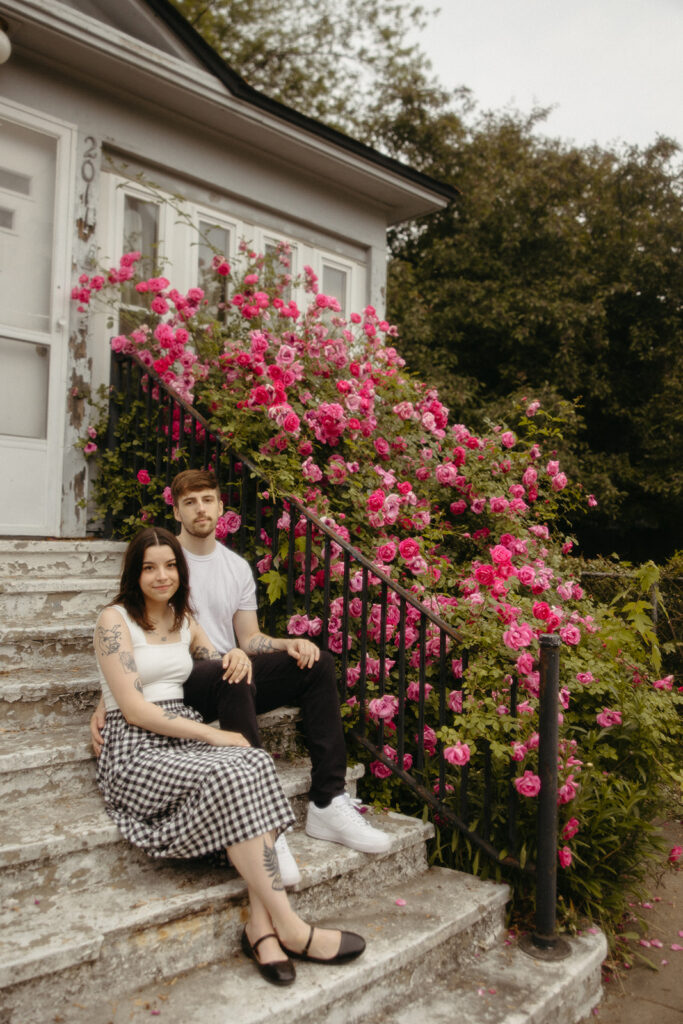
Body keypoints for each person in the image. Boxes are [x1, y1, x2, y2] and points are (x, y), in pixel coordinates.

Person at [93, 526, 365, 986]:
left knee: (254, 762)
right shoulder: (114, 620)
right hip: (135, 745)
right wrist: (214, 736)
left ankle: (261, 926)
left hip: (178, 737)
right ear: (133, 573)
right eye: (150, 567)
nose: (162, 576)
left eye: (170, 565)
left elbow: (215, 656)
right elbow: (135, 707)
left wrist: (241, 656)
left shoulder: (183, 619)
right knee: (238, 762)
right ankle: (291, 928)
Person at [91, 469, 391, 883]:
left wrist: (287, 644)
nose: (200, 508)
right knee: (227, 672)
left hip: (228, 663)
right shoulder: (160, 558)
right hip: (187, 681)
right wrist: (105, 699)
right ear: (175, 508)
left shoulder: (235, 567)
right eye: (190, 501)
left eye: (208, 500)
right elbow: (129, 634)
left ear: (221, 507)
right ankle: (261, 821)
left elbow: (250, 639)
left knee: (314, 662)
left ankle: (328, 802)